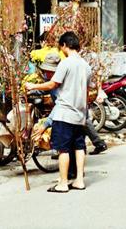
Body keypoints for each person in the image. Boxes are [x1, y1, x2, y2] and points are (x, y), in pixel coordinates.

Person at [25, 31, 90, 193]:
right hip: (80, 114)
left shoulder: (65, 64)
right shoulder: (86, 66)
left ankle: (63, 183)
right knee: (79, 147)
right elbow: (88, 91)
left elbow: (52, 84)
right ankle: (79, 181)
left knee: (63, 149)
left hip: (64, 114)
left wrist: (33, 86)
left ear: (64, 45)